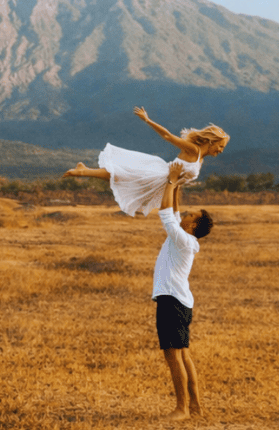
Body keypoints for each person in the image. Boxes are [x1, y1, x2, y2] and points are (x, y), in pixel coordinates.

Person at [63, 106, 229, 216]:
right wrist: (148, 120)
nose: (221, 151)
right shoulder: (194, 150)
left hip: (165, 182)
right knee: (124, 175)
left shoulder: (200, 160)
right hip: (159, 174)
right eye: (220, 146)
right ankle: (83, 170)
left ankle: (83, 170)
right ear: (211, 141)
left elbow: (176, 185)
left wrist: (175, 213)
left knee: (125, 177)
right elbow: (167, 136)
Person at [154, 161, 213, 421]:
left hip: (172, 302)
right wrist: (176, 184)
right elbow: (174, 210)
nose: (186, 213)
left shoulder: (182, 239)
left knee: (173, 357)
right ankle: (196, 407)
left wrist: (170, 181)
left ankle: (182, 409)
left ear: (192, 225)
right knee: (184, 355)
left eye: (191, 214)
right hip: (180, 303)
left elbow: (165, 212)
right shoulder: (185, 237)